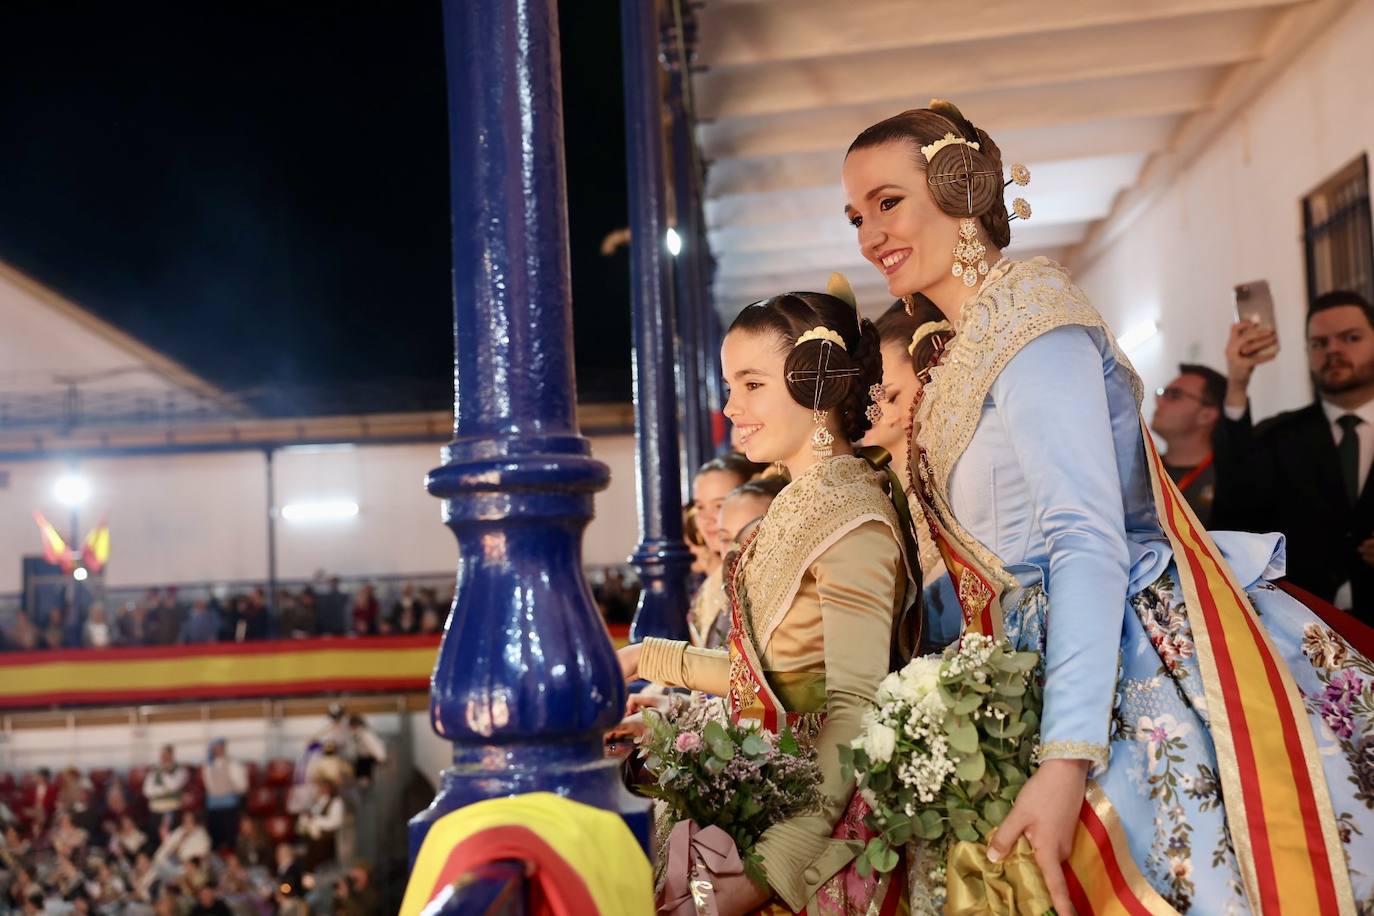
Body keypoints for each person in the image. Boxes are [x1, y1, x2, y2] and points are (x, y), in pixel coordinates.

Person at [842, 100, 1373, 913]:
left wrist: (1065, 763)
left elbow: (1085, 539)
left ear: (961, 186)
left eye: (887, 202)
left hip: (1117, 662)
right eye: (855, 217)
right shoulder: (969, 348)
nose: (870, 236)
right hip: (1018, 668)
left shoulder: (1032, 320)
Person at [619, 286, 917, 913]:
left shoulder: (851, 518)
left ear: (814, 384)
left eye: (751, 384)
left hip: (804, 829)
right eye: (731, 386)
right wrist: (649, 658)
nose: (732, 408)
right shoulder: (799, 504)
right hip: (767, 794)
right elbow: (774, 678)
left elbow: (853, 705)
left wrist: (772, 865)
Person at [1218, 290, 1374, 621]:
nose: (1333, 350)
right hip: (1307, 626)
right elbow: (1233, 514)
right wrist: (1236, 386)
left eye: (1350, 337)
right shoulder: (1281, 436)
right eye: (1319, 343)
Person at [686, 454, 757, 648]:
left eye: (719, 505)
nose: (707, 519)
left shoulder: (756, 580)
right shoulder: (709, 587)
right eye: (700, 507)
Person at [1150, 363, 1228, 526]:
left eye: (1174, 395)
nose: (1159, 402)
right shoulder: (1143, 471)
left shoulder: (1229, 478)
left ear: (1206, 415)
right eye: (1162, 394)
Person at [201, 738, 247, 852]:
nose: (217, 750)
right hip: (213, 807)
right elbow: (208, 785)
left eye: (219, 747)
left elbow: (242, 786)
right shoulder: (208, 766)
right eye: (215, 748)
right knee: (215, 839)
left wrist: (229, 793)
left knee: (230, 839)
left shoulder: (233, 764)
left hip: (229, 807)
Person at [142, 745, 189, 834]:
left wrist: (164, 772)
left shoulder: (180, 770)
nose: (163, 757)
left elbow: (173, 786)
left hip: (172, 810)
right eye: (162, 755)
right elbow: (147, 791)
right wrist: (162, 790)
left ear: (172, 755)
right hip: (155, 810)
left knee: (172, 837)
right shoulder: (154, 770)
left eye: (166, 754)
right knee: (155, 836)